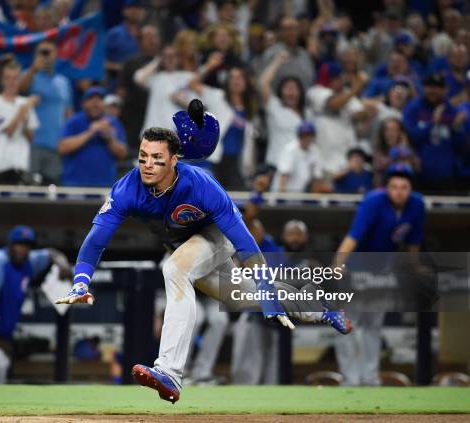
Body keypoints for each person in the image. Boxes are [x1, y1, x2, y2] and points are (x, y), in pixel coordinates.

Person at [57, 102, 349, 403]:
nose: (147, 164)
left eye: (157, 158)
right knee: (243, 297)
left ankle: (169, 372)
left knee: (174, 269)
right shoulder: (128, 188)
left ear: (174, 159)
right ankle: (322, 311)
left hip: (216, 239)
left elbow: (245, 241)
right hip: (184, 247)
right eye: (143, 156)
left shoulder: (202, 185)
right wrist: (81, 280)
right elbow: (96, 240)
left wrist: (265, 286)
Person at [334, 164, 425, 386]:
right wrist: (337, 265)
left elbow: (413, 244)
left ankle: (369, 377)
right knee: (347, 323)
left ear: (410, 188)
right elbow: (353, 236)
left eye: (404, 187)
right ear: (387, 187)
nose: (399, 191)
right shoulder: (373, 201)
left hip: (382, 271)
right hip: (356, 269)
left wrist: (416, 268)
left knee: (373, 325)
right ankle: (350, 378)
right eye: (394, 186)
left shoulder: (417, 205)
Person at [0, 225, 71, 384]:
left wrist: (63, 264)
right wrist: (2, 343)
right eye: (19, 244)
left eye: (27, 246)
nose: (22, 249)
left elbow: (52, 253)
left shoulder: (29, 261)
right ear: (9, 245)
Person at [19, 40, 73, 185]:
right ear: (35, 55)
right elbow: (18, 90)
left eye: (48, 52)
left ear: (56, 55)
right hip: (32, 144)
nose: (46, 56)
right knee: (29, 190)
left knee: (53, 190)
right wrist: (33, 69)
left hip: (56, 146)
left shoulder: (63, 82)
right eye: (42, 52)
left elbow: (68, 113)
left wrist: (67, 140)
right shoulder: (29, 75)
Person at [402, 73, 466, 192]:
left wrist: (456, 127)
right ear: (424, 87)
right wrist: (433, 122)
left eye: (438, 87)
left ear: (444, 90)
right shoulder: (413, 108)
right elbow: (412, 137)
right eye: (430, 86)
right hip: (419, 174)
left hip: (447, 176)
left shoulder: (451, 110)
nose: (434, 90)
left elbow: (460, 146)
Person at [58, 86, 127, 187]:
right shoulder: (74, 121)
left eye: (99, 100)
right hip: (74, 184)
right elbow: (62, 148)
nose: (95, 104)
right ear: (83, 103)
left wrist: (109, 138)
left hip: (105, 185)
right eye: (91, 100)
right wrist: (90, 132)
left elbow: (123, 154)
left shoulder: (112, 122)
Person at [307, 63, 368, 177]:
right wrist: (356, 88)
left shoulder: (346, 94)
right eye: (335, 78)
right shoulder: (316, 91)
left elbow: (362, 115)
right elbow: (334, 104)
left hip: (347, 160)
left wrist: (357, 111)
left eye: (340, 78)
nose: (339, 81)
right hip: (324, 160)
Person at [0, 60, 40, 181]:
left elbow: (31, 137)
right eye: (8, 78)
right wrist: (23, 111)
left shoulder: (24, 102)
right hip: (0, 167)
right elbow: (9, 131)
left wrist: (26, 123)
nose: (12, 82)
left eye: (15, 78)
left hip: (20, 166)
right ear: (1, 80)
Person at [259, 51, 306, 167]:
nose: (291, 91)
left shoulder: (307, 114)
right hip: (275, 164)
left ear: (300, 93)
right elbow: (263, 83)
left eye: (294, 88)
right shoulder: (275, 107)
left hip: (298, 168)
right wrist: (277, 61)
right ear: (281, 92)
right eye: (287, 88)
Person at [117, 25, 161, 149]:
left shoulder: (165, 64)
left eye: (155, 37)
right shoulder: (130, 64)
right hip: (135, 119)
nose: (153, 41)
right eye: (149, 38)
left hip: (158, 117)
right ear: (140, 42)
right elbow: (121, 91)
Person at [271, 122, 324, 193]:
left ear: (313, 136)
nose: (306, 138)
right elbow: (284, 176)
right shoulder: (290, 150)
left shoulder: (315, 151)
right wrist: (281, 198)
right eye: (303, 135)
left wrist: (316, 199)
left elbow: (316, 178)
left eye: (309, 135)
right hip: (281, 195)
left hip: (298, 195)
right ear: (299, 136)